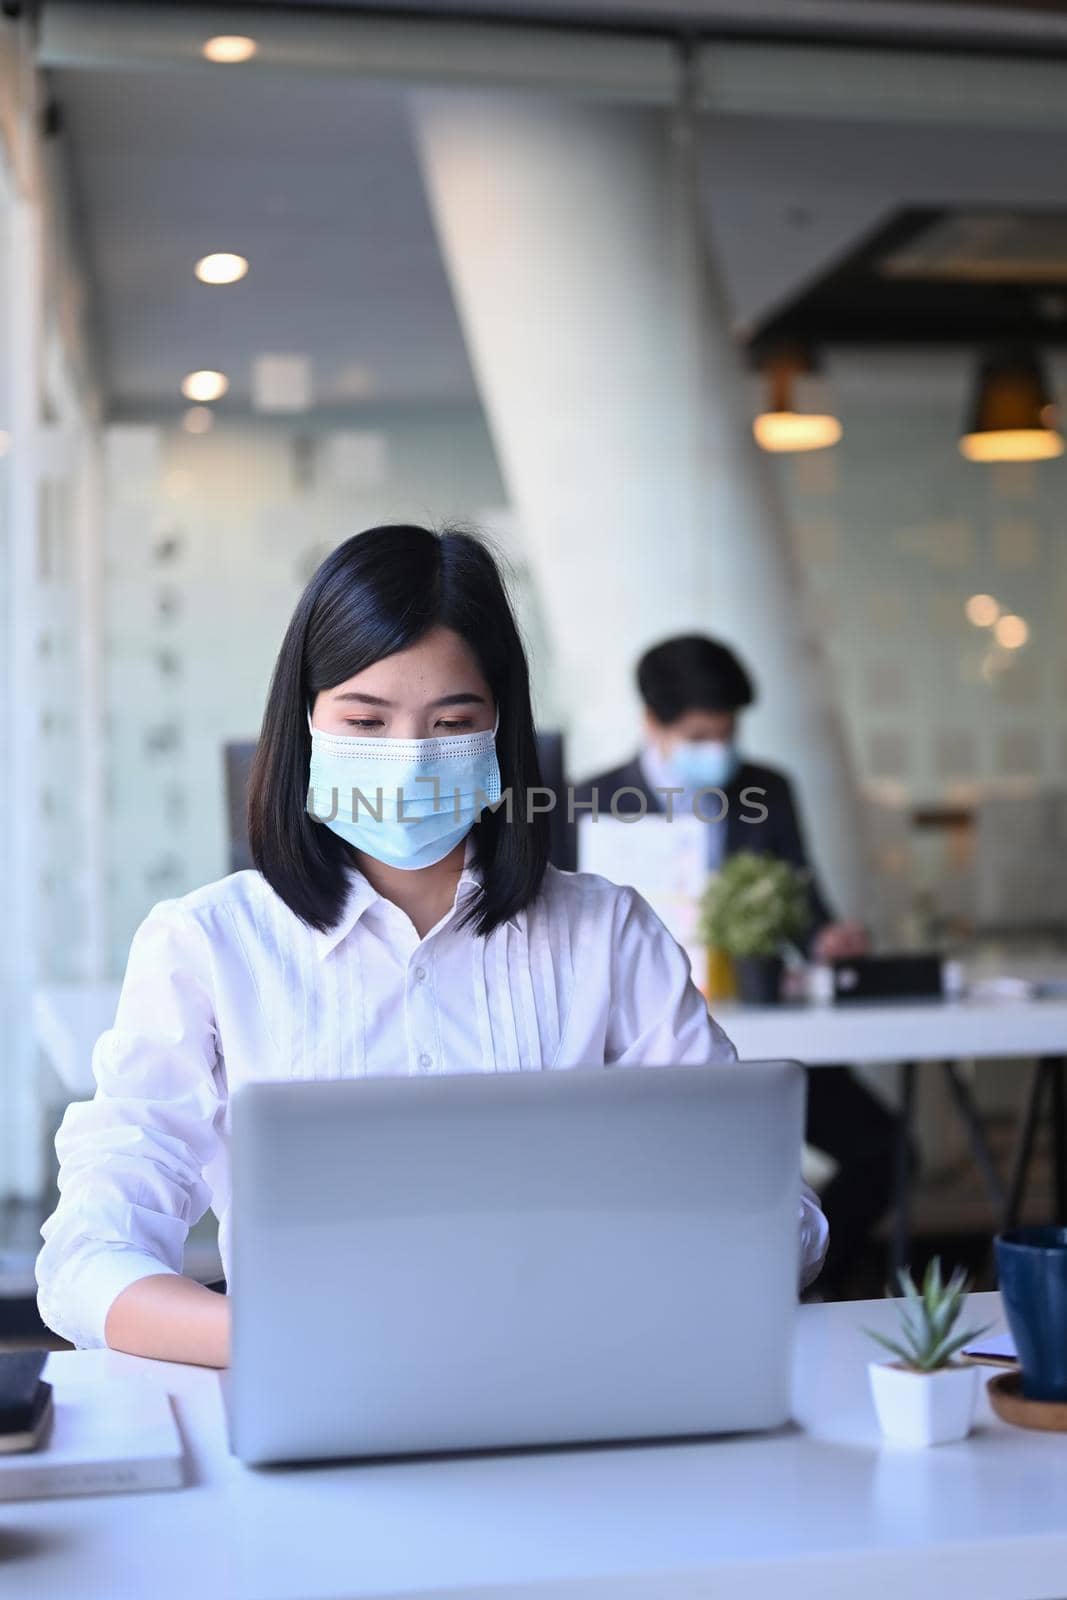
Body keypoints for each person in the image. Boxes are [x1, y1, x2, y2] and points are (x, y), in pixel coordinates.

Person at [36, 529, 827, 1367]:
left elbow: (781, 1224)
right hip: (312, 1387)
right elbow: (87, 1255)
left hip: (578, 1373)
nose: (408, 759)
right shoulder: (204, 945)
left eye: (450, 722)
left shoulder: (606, 934)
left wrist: (677, 1260)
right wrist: (280, 1342)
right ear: (307, 720)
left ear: (498, 734)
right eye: (365, 719)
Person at [575, 634, 899, 1298]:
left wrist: (825, 940)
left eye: (725, 731)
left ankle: (786, 1289)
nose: (715, 748)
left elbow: (805, 909)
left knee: (887, 1152)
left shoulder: (768, 789)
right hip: (647, 1046)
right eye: (698, 734)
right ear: (651, 723)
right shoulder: (587, 802)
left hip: (765, 1031)